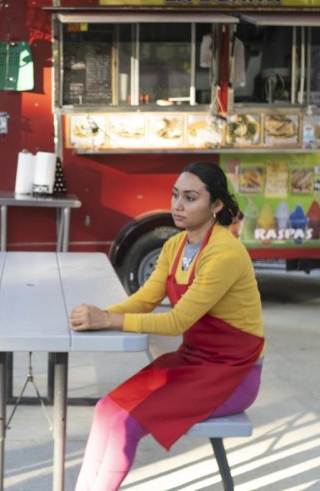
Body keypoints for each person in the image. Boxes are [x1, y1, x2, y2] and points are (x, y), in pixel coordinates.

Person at [68, 161, 264, 491]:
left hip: (233, 374)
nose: (177, 205)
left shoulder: (225, 254)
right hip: (193, 361)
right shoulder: (174, 246)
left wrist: (109, 320)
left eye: (190, 198)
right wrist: (99, 314)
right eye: (175, 195)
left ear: (216, 205)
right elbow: (144, 299)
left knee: (126, 424)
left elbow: (176, 322)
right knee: (107, 410)